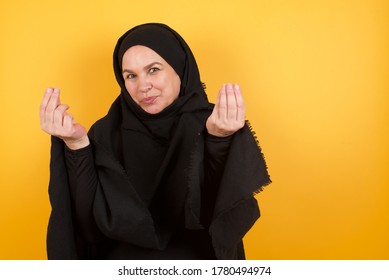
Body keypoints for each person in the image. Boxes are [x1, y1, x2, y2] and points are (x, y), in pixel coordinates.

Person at [40, 23, 271, 260]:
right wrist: (76, 145)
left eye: (153, 70)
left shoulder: (215, 122)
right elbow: (87, 228)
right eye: (131, 75)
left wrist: (218, 141)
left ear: (179, 68)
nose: (143, 86)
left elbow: (221, 221)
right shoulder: (106, 131)